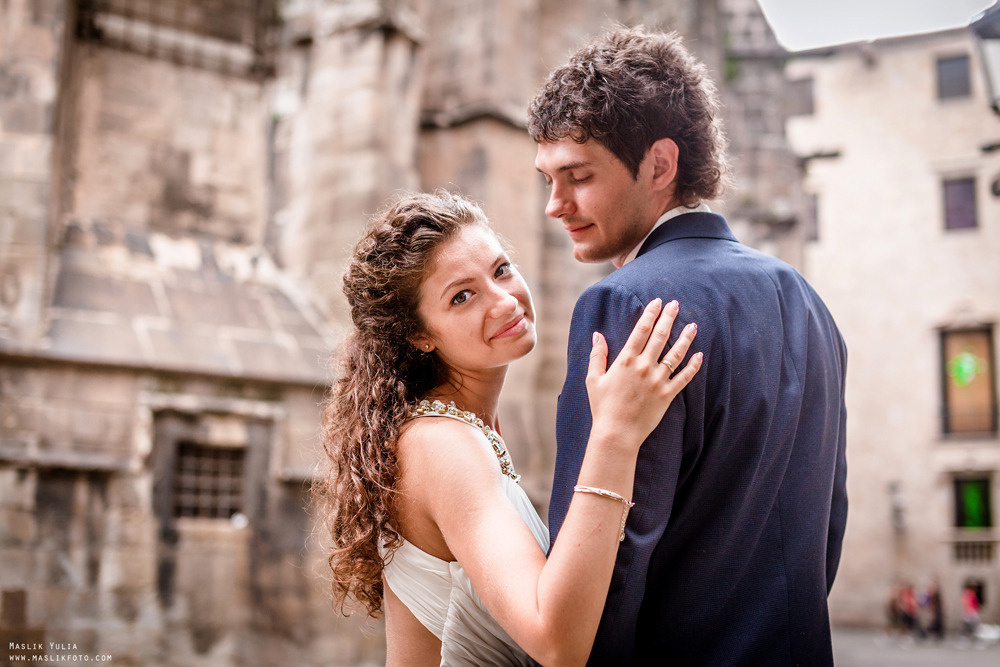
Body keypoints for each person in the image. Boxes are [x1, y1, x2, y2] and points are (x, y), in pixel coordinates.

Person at [527, 25, 848, 665]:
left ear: (661, 164)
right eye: (546, 179)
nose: (554, 206)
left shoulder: (623, 304)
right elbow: (828, 517)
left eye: (577, 176)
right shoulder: (809, 302)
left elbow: (607, 552)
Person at [316, 190, 702, 666]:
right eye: (462, 296)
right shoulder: (441, 445)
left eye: (501, 270)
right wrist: (616, 434)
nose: (504, 301)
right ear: (419, 335)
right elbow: (556, 642)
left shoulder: (453, 430)